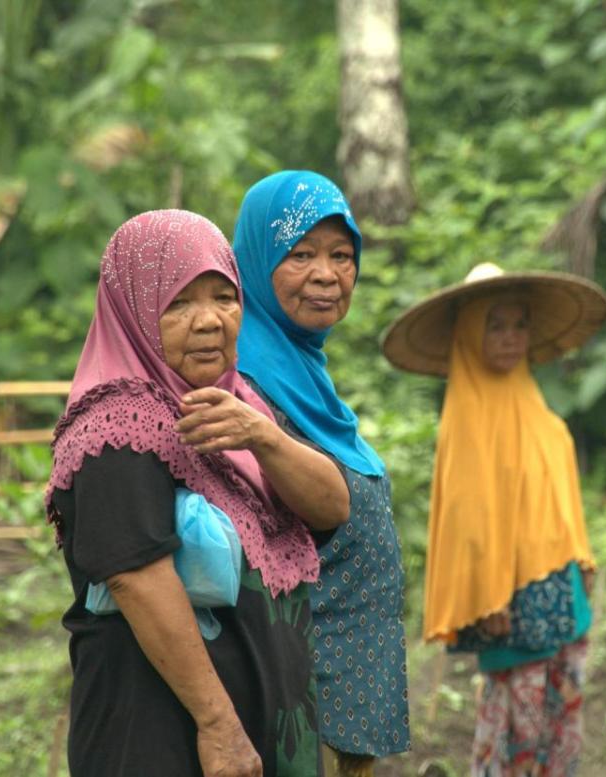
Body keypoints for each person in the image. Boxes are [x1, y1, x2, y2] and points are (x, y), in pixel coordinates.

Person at [45, 209, 350, 777]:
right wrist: (219, 727)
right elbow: (134, 576)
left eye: (223, 297)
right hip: (165, 737)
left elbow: (332, 507)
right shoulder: (118, 426)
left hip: (254, 730)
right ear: (132, 311)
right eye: (179, 303)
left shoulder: (237, 403)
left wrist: (263, 437)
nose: (210, 321)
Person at [381, 262, 606, 777]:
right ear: (469, 332)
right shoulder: (468, 420)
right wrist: (488, 595)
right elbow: (470, 515)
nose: (511, 338)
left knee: (562, 726)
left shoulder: (537, 409)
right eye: (495, 325)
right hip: (510, 607)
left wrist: (582, 560)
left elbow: (556, 497)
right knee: (515, 730)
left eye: (519, 324)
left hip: (564, 595)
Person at [231, 171, 410, 776]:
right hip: (300, 696)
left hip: (348, 695)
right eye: (300, 254)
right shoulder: (243, 382)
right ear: (257, 259)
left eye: (341, 254)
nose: (328, 275)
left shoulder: (307, 376)